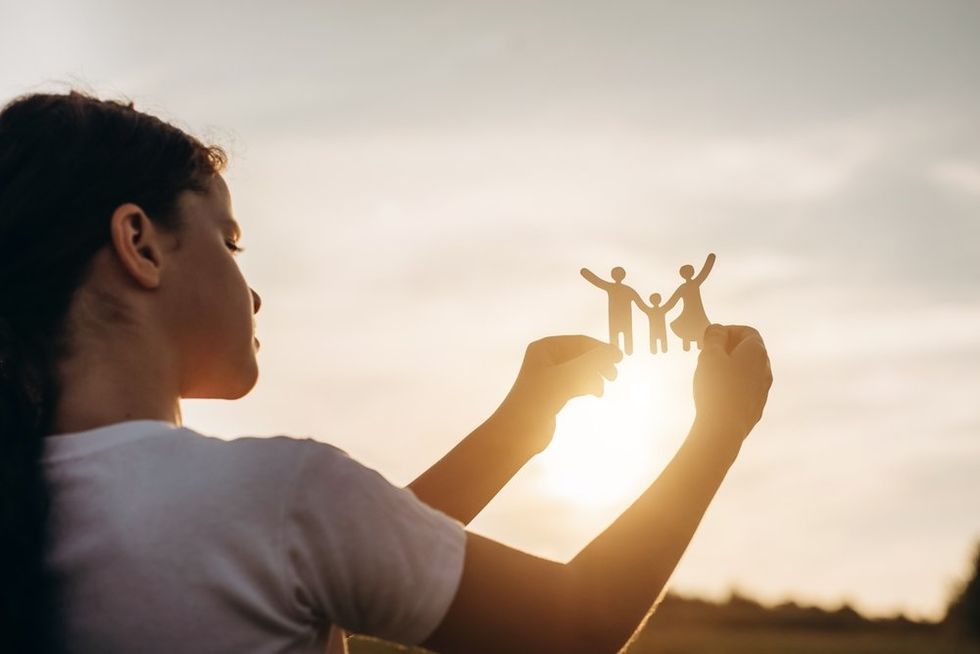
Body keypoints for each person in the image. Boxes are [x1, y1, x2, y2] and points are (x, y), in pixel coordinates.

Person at [0, 91, 773, 654]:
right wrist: (719, 429)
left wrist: (520, 427)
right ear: (139, 243)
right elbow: (577, 624)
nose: (253, 291)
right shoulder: (275, 496)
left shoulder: (32, 503)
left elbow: (341, 554)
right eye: (230, 242)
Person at [580, 266, 645, 355]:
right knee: (620, 338)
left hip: (620, 320)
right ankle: (621, 352)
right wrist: (585, 272)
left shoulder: (615, 288)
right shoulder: (628, 290)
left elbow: (597, 281)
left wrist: (585, 272)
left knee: (620, 337)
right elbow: (642, 305)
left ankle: (623, 352)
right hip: (619, 320)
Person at [664, 253, 717, 351]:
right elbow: (672, 301)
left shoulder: (693, 283)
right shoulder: (687, 286)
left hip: (697, 311)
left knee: (699, 327)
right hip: (690, 311)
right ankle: (688, 344)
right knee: (689, 327)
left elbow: (704, 272)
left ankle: (695, 343)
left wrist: (710, 259)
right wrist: (662, 310)